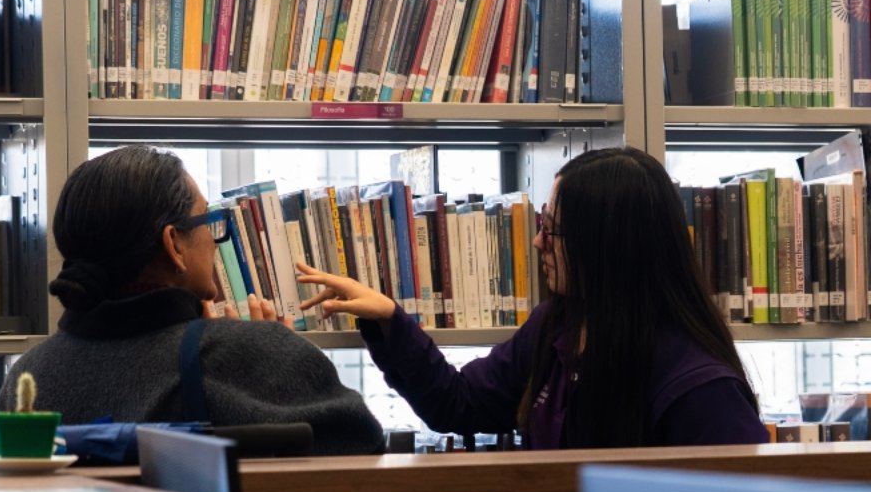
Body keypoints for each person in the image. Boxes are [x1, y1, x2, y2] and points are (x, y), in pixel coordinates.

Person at [297, 146, 769, 449]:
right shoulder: (557, 327)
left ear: (608, 248)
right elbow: (459, 404)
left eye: (555, 232)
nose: (539, 243)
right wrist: (389, 322)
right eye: (543, 224)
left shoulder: (699, 388)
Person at [0, 145, 383, 455]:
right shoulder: (243, 354)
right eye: (205, 222)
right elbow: (361, 447)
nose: (215, 244)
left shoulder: (26, 376)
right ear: (174, 244)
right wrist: (274, 352)